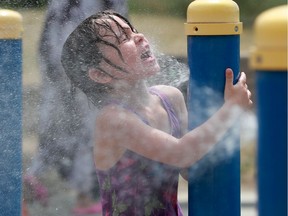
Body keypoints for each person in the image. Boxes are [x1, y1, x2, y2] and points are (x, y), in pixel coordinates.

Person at [61, 10, 252, 215]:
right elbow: (180, 154)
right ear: (99, 74)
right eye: (123, 38)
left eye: (133, 30)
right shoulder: (114, 120)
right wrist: (230, 109)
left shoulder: (170, 98)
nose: (139, 37)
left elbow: (189, 168)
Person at [24, 1, 128, 215]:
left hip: (64, 44)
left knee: (60, 119)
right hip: (80, 50)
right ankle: (84, 197)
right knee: (90, 123)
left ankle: (37, 180)